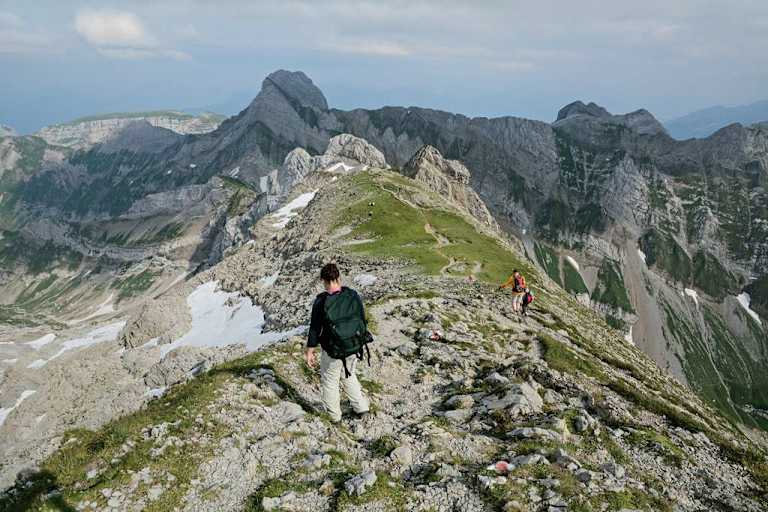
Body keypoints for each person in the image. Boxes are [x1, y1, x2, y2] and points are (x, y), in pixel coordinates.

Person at [305, 263, 371, 423]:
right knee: (349, 374)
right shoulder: (352, 295)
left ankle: (334, 417)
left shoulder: (321, 302)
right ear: (338, 277)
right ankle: (361, 408)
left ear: (324, 280)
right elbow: (362, 319)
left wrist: (310, 351)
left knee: (330, 381)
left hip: (333, 350)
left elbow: (315, 328)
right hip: (354, 345)